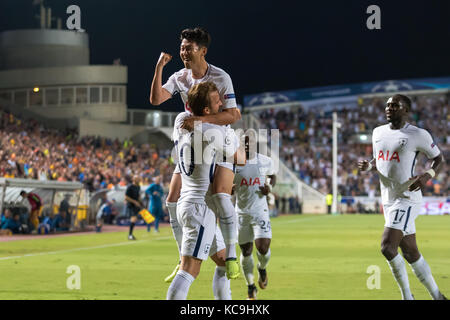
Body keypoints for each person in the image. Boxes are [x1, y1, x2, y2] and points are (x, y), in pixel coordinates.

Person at [150, 27, 242, 280]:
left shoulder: (221, 77)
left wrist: (200, 121)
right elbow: (157, 99)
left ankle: (232, 254)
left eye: (188, 48)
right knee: (171, 199)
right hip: (194, 141)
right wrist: (159, 68)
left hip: (217, 140)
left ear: (203, 51)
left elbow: (234, 115)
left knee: (220, 198)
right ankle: (182, 258)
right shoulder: (180, 77)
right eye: (182, 47)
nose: (183, 52)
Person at [358, 94, 446, 300]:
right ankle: (438, 297)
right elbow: (380, 158)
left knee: (388, 247)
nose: (389, 108)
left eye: (394, 105)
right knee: (411, 253)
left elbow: (438, 159)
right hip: (388, 199)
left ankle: (407, 297)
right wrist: (369, 165)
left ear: (406, 110)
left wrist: (427, 175)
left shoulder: (418, 134)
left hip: (407, 197)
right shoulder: (377, 132)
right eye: (388, 105)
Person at [166, 81, 245, 300]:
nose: (222, 101)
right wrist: (234, 138)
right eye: (217, 99)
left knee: (221, 261)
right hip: (199, 208)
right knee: (189, 269)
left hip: (189, 203)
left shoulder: (180, 121)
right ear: (208, 110)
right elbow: (241, 158)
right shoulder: (213, 132)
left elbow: (192, 116)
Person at [233, 135, 276, 300]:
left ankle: (262, 268)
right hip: (241, 213)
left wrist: (269, 187)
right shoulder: (233, 163)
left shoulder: (265, 161)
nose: (246, 145)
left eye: (249, 143)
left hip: (260, 211)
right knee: (246, 250)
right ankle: (250, 286)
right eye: (244, 143)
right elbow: (225, 181)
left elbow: (272, 176)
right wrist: (229, 187)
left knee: (263, 247)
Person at [125, 175, 143, 240]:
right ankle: (130, 235)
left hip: (136, 205)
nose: (138, 180)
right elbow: (126, 197)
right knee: (134, 219)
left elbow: (138, 196)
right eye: (136, 178)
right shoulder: (130, 187)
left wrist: (140, 202)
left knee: (134, 219)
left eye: (138, 178)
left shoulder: (138, 187)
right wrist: (135, 202)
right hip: (131, 205)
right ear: (133, 179)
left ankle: (130, 235)